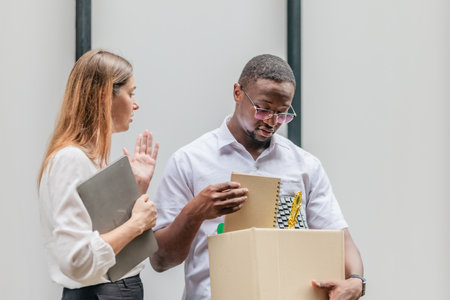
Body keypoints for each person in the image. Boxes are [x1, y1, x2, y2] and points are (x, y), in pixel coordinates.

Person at [150, 54, 365, 300]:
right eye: (263, 109)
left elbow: (341, 240)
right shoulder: (189, 161)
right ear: (237, 93)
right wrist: (196, 211)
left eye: (282, 113)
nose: (272, 121)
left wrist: (357, 281)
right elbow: (160, 260)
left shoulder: (305, 166)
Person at [37, 49, 159, 300]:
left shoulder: (89, 158)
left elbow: (102, 237)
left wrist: (135, 190)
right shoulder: (70, 159)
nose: (135, 104)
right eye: (131, 93)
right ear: (105, 95)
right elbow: (78, 258)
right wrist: (137, 223)